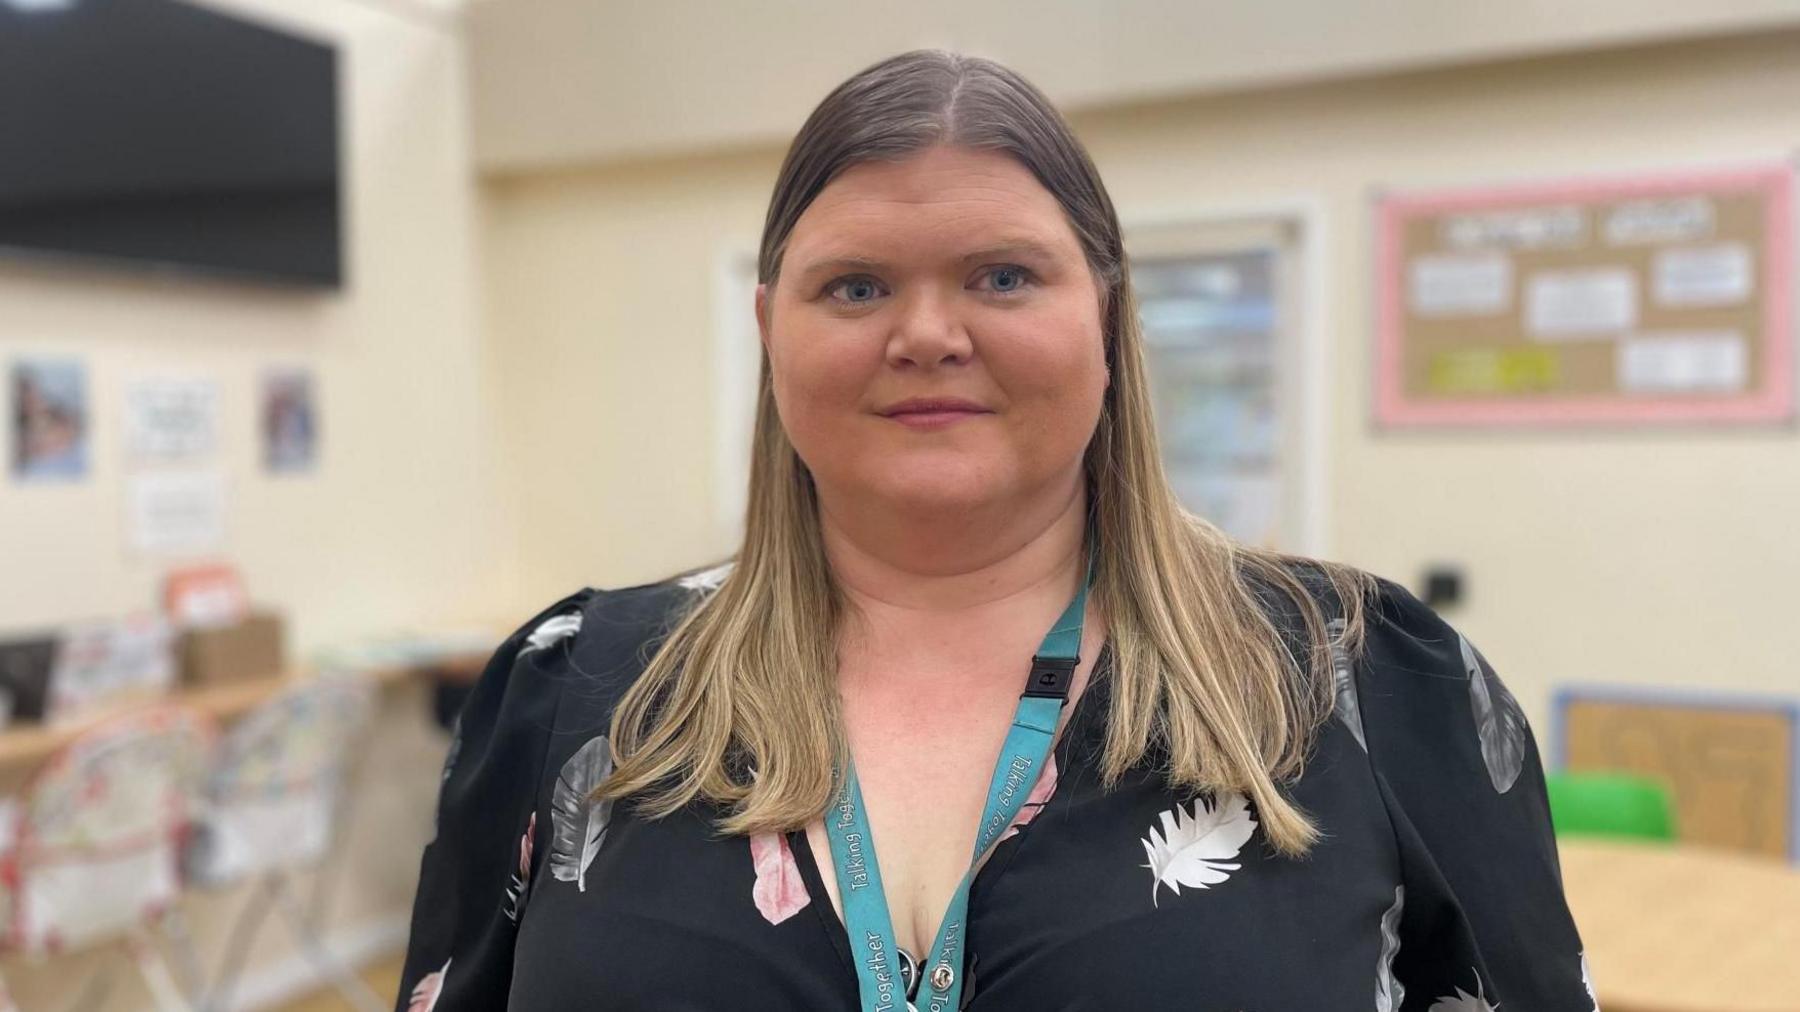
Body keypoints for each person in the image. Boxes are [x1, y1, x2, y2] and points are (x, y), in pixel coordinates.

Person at [397, 50, 1595, 1011]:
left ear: (1108, 314)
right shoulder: (575, 690)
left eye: (1004, 277)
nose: (927, 333)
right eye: (855, 286)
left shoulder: (1364, 678)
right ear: (771, 330)